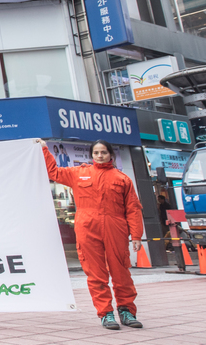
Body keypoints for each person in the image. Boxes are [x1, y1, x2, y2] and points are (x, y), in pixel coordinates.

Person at [36, 138, 144, 330]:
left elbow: (133, 209)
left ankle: (126, 311)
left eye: (103, 152)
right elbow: (54, 172)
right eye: (96, 153)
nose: (100, 156)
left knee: (121, 273)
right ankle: (106, 314)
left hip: (115, 228)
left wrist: (136, 235)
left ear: (111, 154)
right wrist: (44, 149)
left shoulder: (122, 179)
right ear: (91, 155)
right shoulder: (79, 173)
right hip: (87, 229)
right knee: (96, 274)